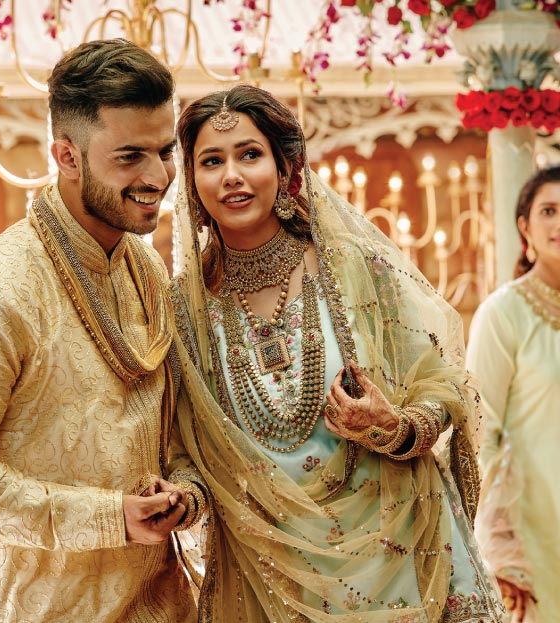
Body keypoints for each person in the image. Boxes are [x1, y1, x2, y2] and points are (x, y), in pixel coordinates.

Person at [168, 84, 504, 622]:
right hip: (272, 571)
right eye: (211, 161)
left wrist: (395, 424)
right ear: (191, 181)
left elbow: (444, 383)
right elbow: (184, 444)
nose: (231, 174)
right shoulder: (182, 311)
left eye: (250, 154)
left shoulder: (352, 268)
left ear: (286, 168)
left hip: (399, 549)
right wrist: (184, 496)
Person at [0, 39, 206, 622]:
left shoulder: (142, 267)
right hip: (39, 608)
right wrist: (105, 518)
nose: (159, 176)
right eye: (129, 157)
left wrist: (183, 493)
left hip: (161, 603)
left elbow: (170, 425)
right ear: (65, 156)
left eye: (164, 151)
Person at [466, 165, 560, 623]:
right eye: (549, 210)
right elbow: (480, 438)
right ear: (524, 226)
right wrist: (497, 554)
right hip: (534, 538)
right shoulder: (501, 315)